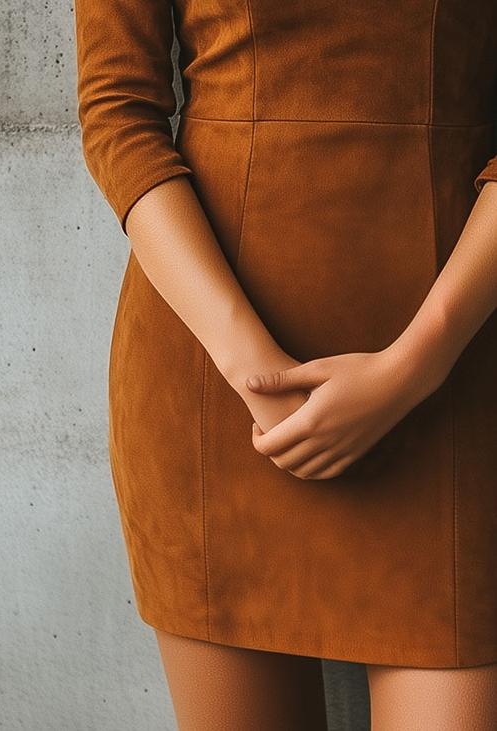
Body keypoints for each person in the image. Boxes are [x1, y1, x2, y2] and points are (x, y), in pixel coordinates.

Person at [74, 1, 497, 728]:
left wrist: (417, 367)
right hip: (213, 396)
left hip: (456, 389)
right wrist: (253, 372)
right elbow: (117, 114)